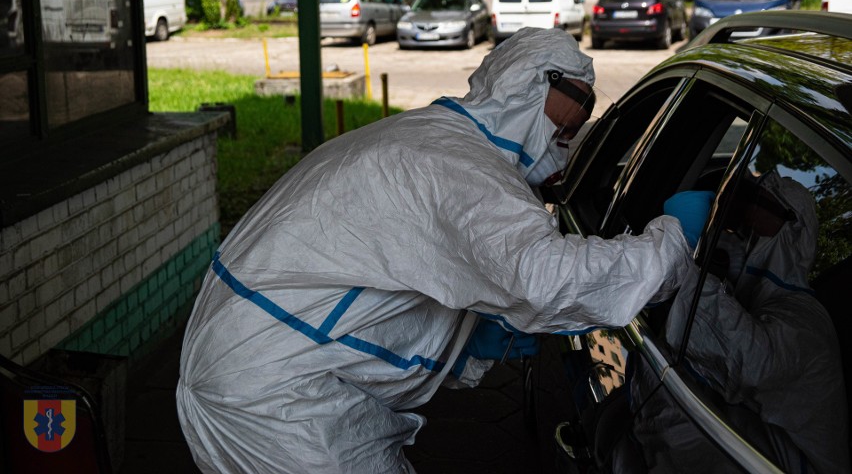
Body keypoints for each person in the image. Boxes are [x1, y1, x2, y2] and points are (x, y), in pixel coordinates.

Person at [176, 27, 703, 473]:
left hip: (258, 368)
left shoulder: (435, 138)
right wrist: (674, 241)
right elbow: (546, 280)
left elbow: (385, 275)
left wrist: (463, 347)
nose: (578, 124)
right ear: (525, 84)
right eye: (574, 102)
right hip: (278, 400)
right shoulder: (459, 166)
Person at [624, 171, 850, 473]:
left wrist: (683, 263)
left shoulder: (806, 317)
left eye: (757, 203)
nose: (745, 217)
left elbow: (748, 361)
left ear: (792, 226)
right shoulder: (756, 296)